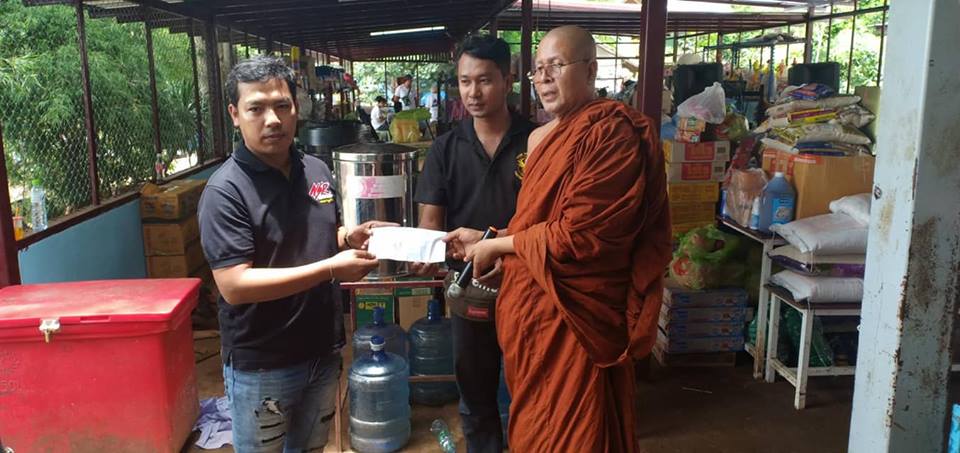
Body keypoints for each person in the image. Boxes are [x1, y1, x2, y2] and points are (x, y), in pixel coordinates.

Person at [445, 26, 672, 452]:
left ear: (591, 70)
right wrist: (491, 238)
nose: (545, 78)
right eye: (538, 69)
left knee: (575, 434)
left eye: (557, 66)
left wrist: (497, 246)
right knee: (534, 429)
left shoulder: (611, 134)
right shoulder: (544, 138)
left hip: (576, 319)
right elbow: (540, 224)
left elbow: (579, 236)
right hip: (533, 315)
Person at [198, 55, 393, 453]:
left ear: (296, 108)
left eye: (282, 105)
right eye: (256, 108)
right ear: (235, 115)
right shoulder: (226, 191)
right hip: (263, 365)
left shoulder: (316, 170)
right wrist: (331, 269)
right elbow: (235, 285)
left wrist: (346, 238)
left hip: (322, 350)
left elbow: (307, 234)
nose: (272, 119)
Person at [411, 34, 536, 453]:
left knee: (531, 388)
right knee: (476, 392)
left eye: (484, 80)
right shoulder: (445, 148)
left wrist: (501, 246)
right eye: (465, 81)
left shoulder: (537, 142)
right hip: (469, 290)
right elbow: (431, 225)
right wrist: (424, 252)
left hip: (528, 284)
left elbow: (550, 222)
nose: (473, 92)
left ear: (508, 80)